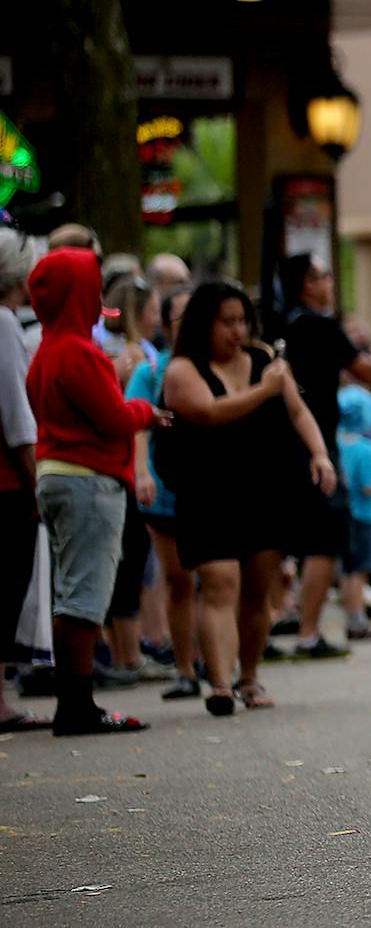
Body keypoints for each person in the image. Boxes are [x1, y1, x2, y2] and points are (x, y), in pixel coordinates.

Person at [161, 281, 336, 714]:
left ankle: (249, 677)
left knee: (258, 591)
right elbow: (211, 412)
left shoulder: (265, 361)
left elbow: (298, 410)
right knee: (219, 584)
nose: (237, 330)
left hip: (264, 490)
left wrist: (319, 454)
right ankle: (219, 684)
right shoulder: (182, 370)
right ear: (205, 324)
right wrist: (267, 389)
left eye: (242, 321)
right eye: (227, 322)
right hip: (208, 493)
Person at [25, 247, 165, 735]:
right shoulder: (79, 352)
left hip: (55, 474)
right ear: (76, 294)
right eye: (91, 288)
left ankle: (74, 700)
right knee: (86, 594)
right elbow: (113, 418)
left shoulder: (46, 349)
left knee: (71, 592)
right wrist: (148, 411)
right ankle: (78, 705)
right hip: (88, 481)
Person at [271, 254, 371, 660]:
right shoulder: (320, 325)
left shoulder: (282, 325)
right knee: (325, 538)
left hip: (280, 445)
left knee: (276, 540)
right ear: (307, 283)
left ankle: (270, 625)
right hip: (315, 444)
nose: (329, 282)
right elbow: (370, 370)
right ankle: (308, 632)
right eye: (324, 275)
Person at [125, 289, 201, 700]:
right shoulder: (153, 369)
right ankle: (187, 668)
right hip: (166, 491)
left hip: (214, 491)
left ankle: (221, 664)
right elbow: (135, 421)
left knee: (219, 580)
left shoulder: (223, 364)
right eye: (182, 315)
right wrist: (142, 473)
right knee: (180, 581)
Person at [0, 226, 47, 732]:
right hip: (7, 482)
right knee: (8, 584)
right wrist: (34, 481)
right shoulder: (5, 325)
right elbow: (16, 416)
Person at [335, 384, 371, 641]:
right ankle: (358, 621)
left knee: (347, 570)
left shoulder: (337, 443)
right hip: (364, 516)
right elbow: (368, 487)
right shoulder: (365, 448)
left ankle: (351, 617)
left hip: (345, 514)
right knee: (360, 571)